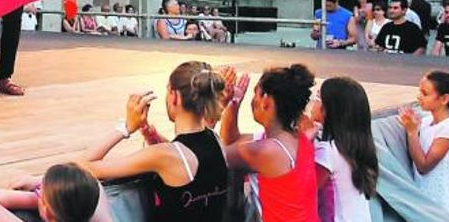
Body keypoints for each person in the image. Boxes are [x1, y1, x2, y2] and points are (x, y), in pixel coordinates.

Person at [76, 61, 229, 221]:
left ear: (174, 96)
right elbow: (184, 153)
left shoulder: (164, 156)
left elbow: (82, 168)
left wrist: (126, 128)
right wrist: (150, 134)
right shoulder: (216, 141)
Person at [220, 64, 320, 222]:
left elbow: (212, 155)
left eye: (256, 94)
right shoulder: (301, 139)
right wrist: (234, 104)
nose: (252, 101)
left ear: (266, 101)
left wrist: (217, 105)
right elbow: (231, 141)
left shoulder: (266, 151)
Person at [398, 71, 449, 222]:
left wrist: (411, 133)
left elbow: (424, 165)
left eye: (425, 93)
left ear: (444, 99)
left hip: (444, 206)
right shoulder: (425, 122)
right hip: (425, 201)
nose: (419, 97)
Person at [313, 77, 378, 222]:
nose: (312, 102)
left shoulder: (327, 151)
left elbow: (307, 188)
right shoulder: (354, 146)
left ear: (327, 110)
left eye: (317, 97)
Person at [0, 162, 112, 222]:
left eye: (39, 193)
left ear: (47, 213)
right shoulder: (101, 216)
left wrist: (32, 196)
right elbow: (90, 178)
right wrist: (48, 195)